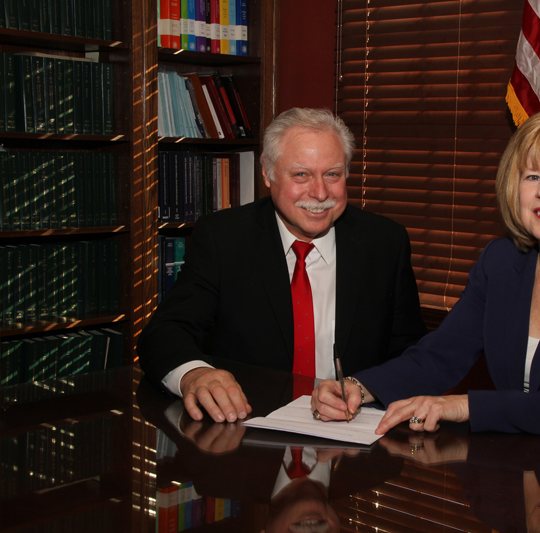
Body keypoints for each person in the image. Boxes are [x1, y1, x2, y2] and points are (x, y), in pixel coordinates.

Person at [311, 106, 540, 439]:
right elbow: (440, 356)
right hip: (508, 469)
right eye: (532, 176)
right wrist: (359, 386)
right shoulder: (501, 261)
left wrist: (468, 406)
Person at [137, 108, 427, 424]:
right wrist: (195, 375)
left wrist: (366, 387)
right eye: (301, 175)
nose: (320, 193)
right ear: (268, 174)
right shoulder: (224, 238)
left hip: (352, 430)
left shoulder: (384, 242)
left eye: (333, 174)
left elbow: (411, 352)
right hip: (247, 431)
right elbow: (166, 332)